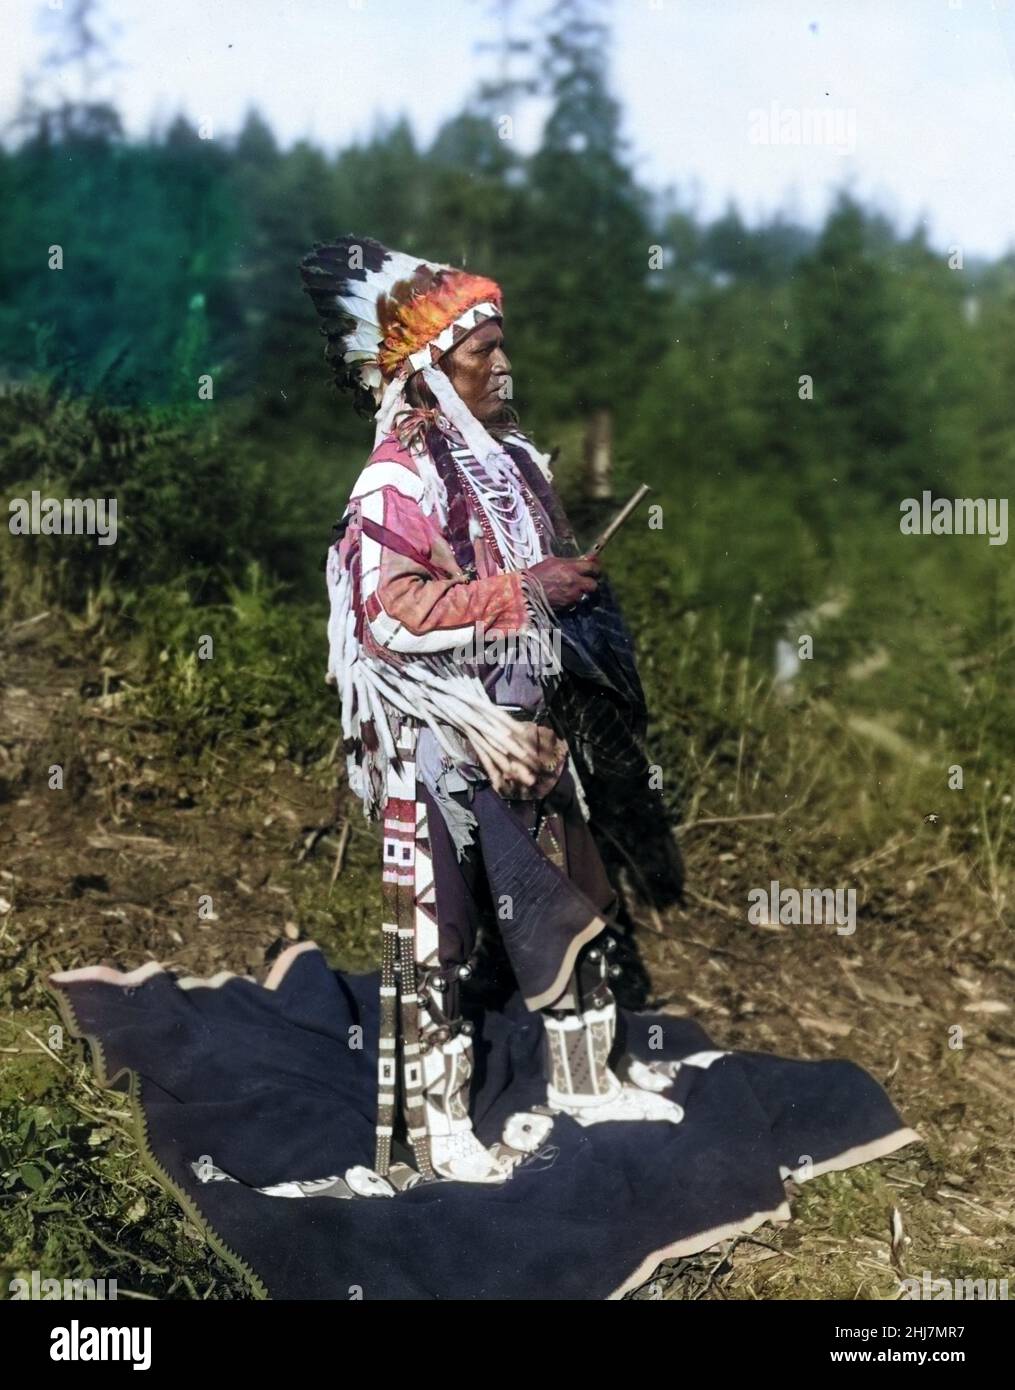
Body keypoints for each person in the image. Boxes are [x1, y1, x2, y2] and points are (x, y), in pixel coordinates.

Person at [300, 235, 686, 1183]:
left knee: (577, 897)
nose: (505, 364)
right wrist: (528, 592)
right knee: (437, 936)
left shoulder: (508, 460)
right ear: (432, 369)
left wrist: (563, 589)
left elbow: (525, 569)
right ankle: (436, 1136)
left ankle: (585, 1082)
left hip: (526, 727)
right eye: (484, 351)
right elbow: (388, 614)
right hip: (437, 737)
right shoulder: (398, 478)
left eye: (504, 346)